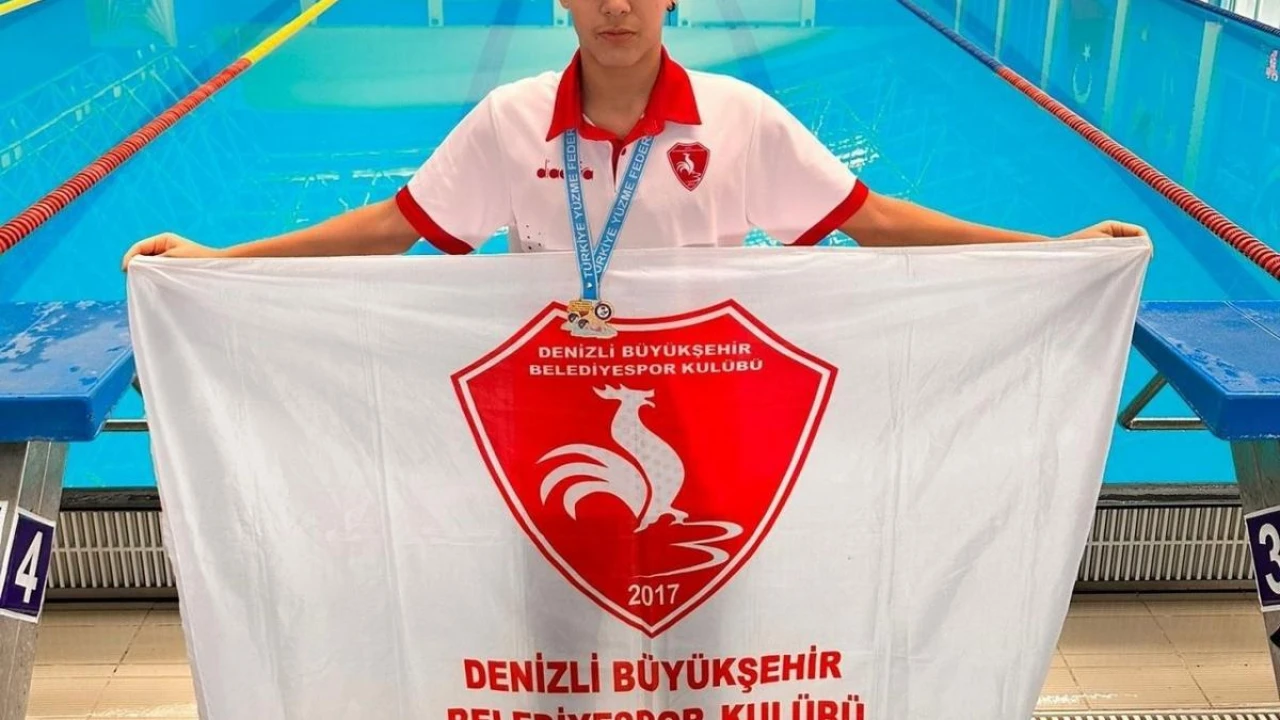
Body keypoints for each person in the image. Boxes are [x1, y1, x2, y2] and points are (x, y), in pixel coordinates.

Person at [121, 0, 1145, 270]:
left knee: (706, 630)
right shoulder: (509, 119)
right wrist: (221, 260)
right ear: (562, 1)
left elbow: (869, 219)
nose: (617, 5)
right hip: (545, 394)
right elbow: (396, 226)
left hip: (709, 403)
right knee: (553, 634)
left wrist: (1049, 252)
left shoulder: (738, 117)